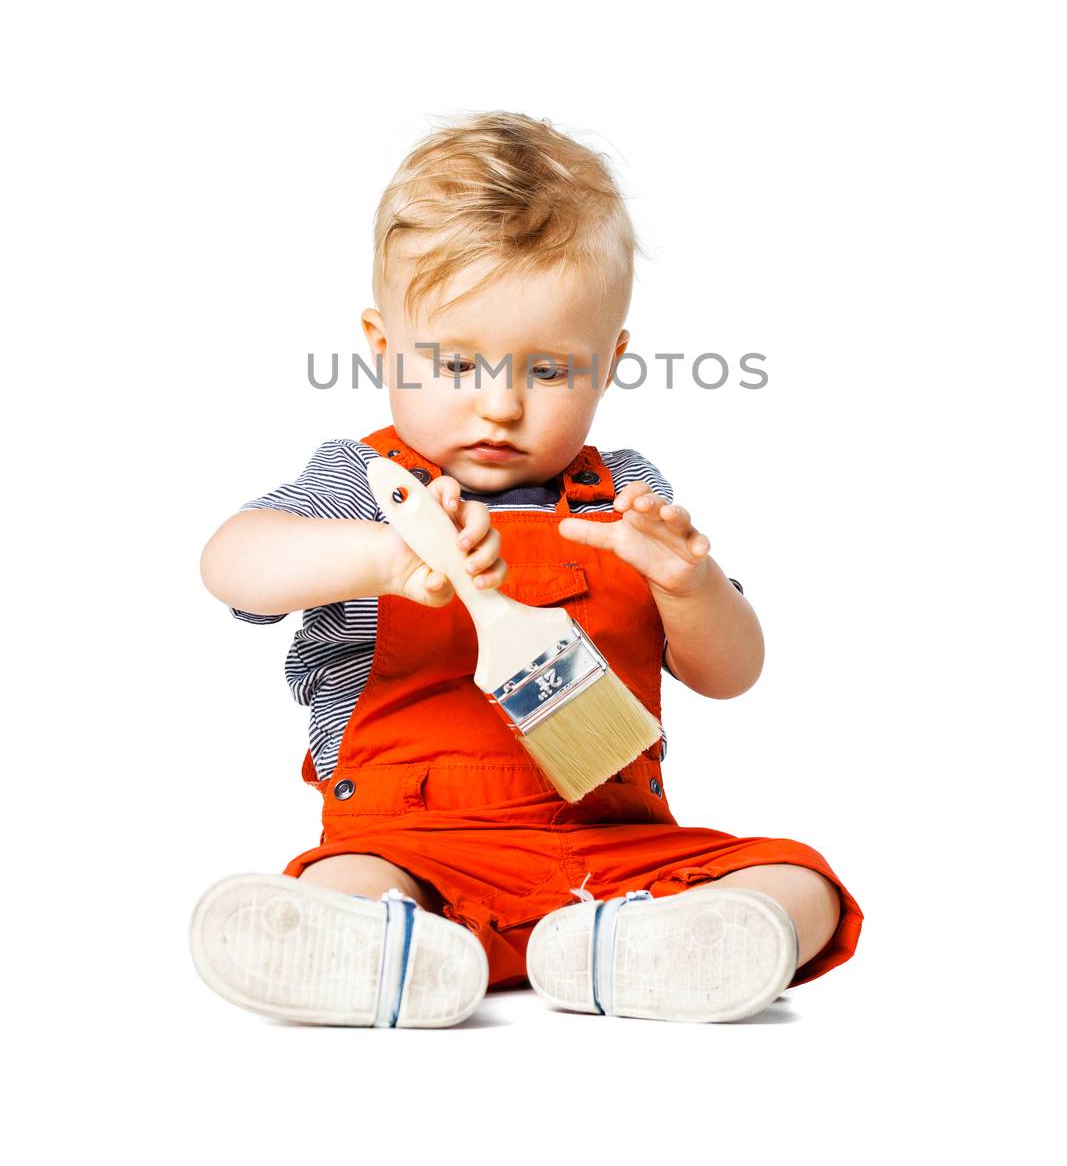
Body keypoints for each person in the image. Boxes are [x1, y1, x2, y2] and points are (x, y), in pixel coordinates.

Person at [191, 110, 863, 1028]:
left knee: (800, 879)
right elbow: (231, 564)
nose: (499, 405)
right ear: (383, 348)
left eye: (547, 370)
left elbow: (732, 673)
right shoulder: (364, 485)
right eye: (457, 362)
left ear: (609, 364)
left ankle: (620, 955)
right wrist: (381, 557)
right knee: (349, 882)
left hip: (612, 848)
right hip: (412, 843)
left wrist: (690, 587)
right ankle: (384, 944)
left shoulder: (625, 497)